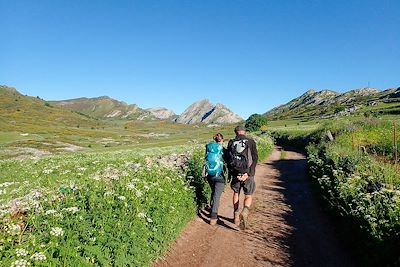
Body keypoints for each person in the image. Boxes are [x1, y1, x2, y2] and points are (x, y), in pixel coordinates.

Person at [227, 125, 258, 230]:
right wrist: (248, 174)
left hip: (236, 174)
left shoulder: (231, 142)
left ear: (236, 132)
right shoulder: (251, 141)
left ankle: (236, 215)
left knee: (236, 193)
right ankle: (245, 210)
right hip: (248, 174)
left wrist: (234, 174)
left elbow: (229, 160)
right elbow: (255, 158)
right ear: (244, 132)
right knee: (248, 195)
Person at [202, 133, 227, 226]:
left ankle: (211, 208)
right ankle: (213, 217)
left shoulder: (209, 147)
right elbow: (227, 161)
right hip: (220, 176)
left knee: (213, 191)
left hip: (210, 175)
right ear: (222, 140)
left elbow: (205, 160)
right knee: (217, 196)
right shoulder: (223, 150)